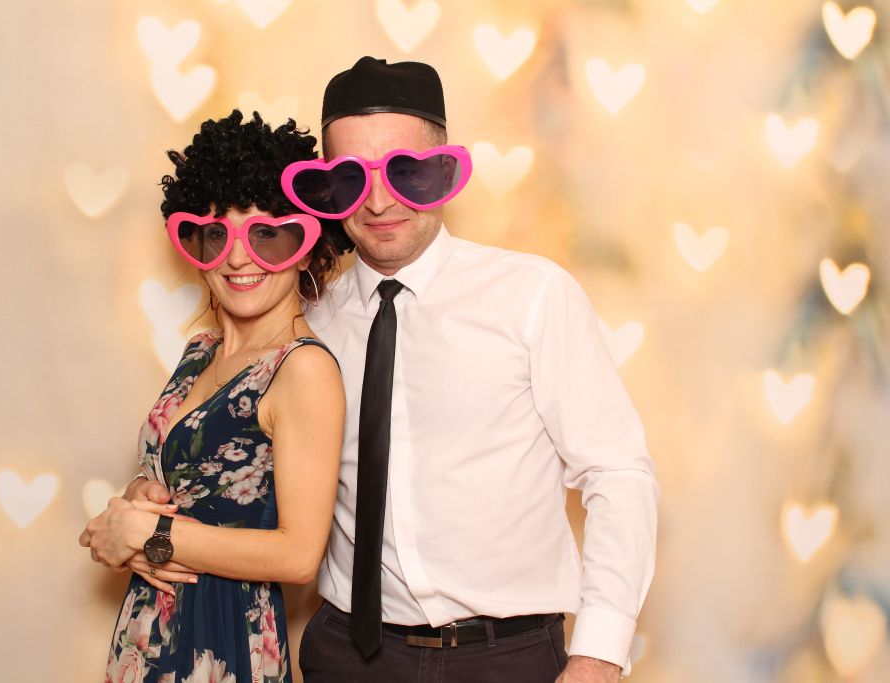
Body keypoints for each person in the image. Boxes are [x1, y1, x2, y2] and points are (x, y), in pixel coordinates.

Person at [124, 57, 659, 683]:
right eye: (352, 178)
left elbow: (618, 473)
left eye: (405, 171)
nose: (378, 201)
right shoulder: (304, 326)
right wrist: (151, 500)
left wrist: (598, 654)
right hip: (346, 655)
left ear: (444, 170)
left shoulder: (532, 296)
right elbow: (239, 458)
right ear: (327, 191)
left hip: (505, 657)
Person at [79, 110, 346, 683]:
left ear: (306, 246)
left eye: (268, 234)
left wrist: (149, 533)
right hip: (149, 631)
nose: (239, 257)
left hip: (223, 641)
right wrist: (142, 497)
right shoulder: (200, 350)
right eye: (218, 233)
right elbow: (187, 479)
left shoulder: (303, 369)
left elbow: (299, 554)